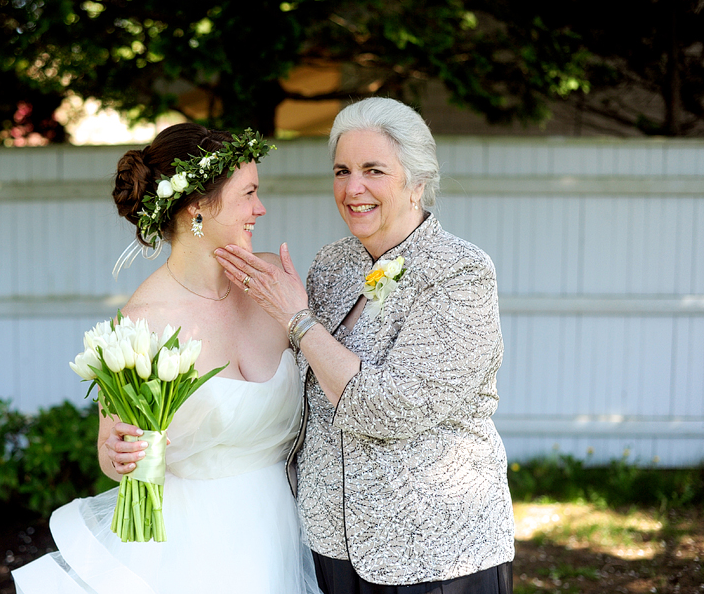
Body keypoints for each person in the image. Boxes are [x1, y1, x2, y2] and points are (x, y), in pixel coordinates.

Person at [214, 97, 515, 594]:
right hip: (329, 543)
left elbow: (392, 408)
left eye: (373, 170)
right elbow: (294, 389)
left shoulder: (460, 273)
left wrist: (297, 319)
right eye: (342, 170)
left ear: (417, 182)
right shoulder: (331, 266)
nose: (353, 188)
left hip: (434, 551)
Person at [11, 123, 321, 594]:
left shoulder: (274, 282)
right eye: (248, 194)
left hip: (286, 530)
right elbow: (111, 452)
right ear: (197, 207)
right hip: (190, 553)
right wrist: (119, 455)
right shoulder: (140, 324)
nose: (260, 208)